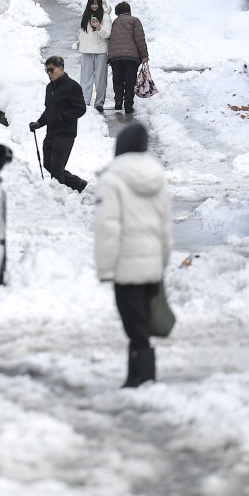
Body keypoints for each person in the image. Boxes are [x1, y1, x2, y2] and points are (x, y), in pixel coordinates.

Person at [95, 123, 172, 388]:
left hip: (126, 266)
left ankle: (142, 376)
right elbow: (166, 225)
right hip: (151, 265)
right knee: (141, 321)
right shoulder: (157, 176)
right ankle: (139, 374)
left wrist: (105, 268)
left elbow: (108, 228)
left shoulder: (112, 179)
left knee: (134, 324)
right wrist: (162, 260)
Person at [28, 56, 88, 192]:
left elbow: (80, 108)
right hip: (51, 132)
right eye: (46, 70)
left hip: (65, 133)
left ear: (61, 68)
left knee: (56, 167)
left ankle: (58, 196)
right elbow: (49, 110)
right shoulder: (49, 88)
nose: (49, 73)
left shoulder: (72, 86)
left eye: (51, 70)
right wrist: (39, 123)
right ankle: (78, 184)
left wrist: (63, 116)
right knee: (48, 164)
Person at [106, 2, 150, 114]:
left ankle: (118, 102)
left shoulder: (114, 22)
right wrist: (144, 56)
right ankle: (128, 105)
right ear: (129, 11)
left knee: (118, 80)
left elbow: (110, 39)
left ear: (117, 12)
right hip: (131, 57)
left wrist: (110, 55)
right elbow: (140, 39)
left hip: (115, 57)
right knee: (130, 81)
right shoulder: (134, 20)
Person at [74, 0, 112, 112]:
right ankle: (85, 101)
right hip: (86, 50)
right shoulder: (85, 15)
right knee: (85, 77)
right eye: (92, 3)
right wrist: (79, 42)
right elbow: (82, 32)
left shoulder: (105, 17)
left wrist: (99, 27)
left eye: (96, 4)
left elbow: (108, 34)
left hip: (100, 50)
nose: (94, 6)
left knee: (101, 78)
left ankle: (99, 102)